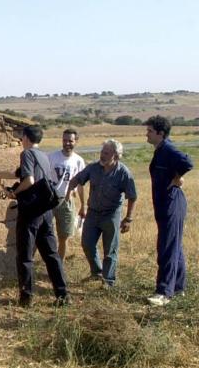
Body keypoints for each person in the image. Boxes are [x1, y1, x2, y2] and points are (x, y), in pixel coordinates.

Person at [0, 125, 70, 307]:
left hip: (31, 212)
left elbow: (29, 180)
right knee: (51, 254)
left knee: (25, 255)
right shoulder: (43, 156)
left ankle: (26, 298)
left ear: (26, 138)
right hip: (46, 211)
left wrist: (15, 193)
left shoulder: (26, 154)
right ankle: (62, 294)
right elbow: (17, 174)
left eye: (22, 137)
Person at [67, 139, 137, 287]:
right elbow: (78, 179)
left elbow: (132, 196)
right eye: (102, 152)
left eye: (106, 153)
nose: (102, 155)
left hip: (111, 214)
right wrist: (69, 190)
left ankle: (108, 280)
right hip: (92, 213)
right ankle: (96, 272)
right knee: (87, 243)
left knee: (110, 249)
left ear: (116, 156)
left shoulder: (123, 172)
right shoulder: (93, 168)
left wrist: (128, 218)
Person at [144, 116, 193, 306]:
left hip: (172, 203)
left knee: (167, 246)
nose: (146, 134)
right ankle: (178, 287)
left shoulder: (169, 149)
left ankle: (164, 292)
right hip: (165, 203)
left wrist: (177, 177)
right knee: (174, 245)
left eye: (149, 131)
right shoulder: (160, 151)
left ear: (160, 133)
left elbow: (187, 162)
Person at [49, 129, 87, 259]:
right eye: (64, 140)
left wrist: (83, 205)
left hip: (67, 201)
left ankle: (59, 266)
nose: (67, 143)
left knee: (63, 236)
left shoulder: (79, 161)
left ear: (76, 141)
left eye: (70, 141)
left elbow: (81, 185)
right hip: (49, 200)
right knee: (42, 232)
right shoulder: (52, 157)